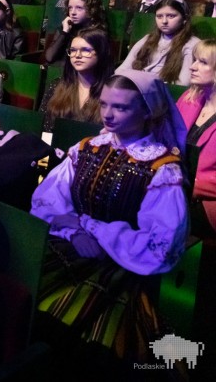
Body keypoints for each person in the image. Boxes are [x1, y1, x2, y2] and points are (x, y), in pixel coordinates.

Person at [31, 71, 188, 365]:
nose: (108, 114)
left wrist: (88, 226)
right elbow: (46, 201)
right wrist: (75, 233)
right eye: (104, 104)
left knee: (71, 330)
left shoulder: (163, 170)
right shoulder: (86, 148)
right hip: (68, 244)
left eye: (121, 107)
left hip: (121, 266)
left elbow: (160, 245)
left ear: (147, 111)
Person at [176, 40, 216, 236]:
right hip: (176, 190)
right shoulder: (188, 98)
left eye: (203, 62)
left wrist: (191, 183)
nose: (192, 67)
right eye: (194, 60)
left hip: (206, 203)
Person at [40, 28, 113, 133]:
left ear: (100, 53)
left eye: (85, 50)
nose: (77, 55)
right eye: (73, 50)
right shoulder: (57, 85)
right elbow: (42, 125)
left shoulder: (112, 92)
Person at [117, 0, 199, 85]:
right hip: (138, 85)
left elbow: (183, 83)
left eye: (171, 16)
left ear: (184, 19)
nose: (164, 21)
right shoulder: (148, 39)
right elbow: (121, 70)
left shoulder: (191, 44)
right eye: (159, 16)